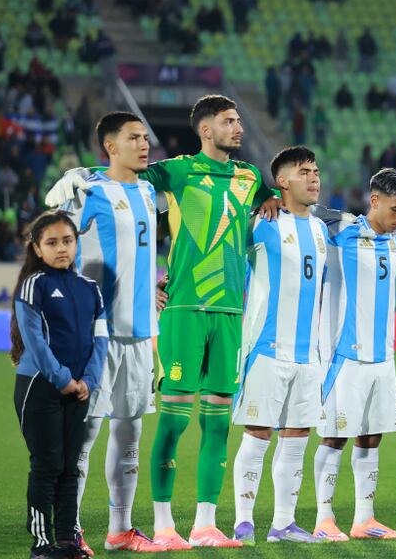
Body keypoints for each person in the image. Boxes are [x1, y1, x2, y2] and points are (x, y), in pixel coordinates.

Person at [45, 94, 281, 549]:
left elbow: (260, 197)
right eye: (230, 121)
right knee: (147, 425)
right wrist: (78, 175)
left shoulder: (250, 177)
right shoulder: (171, 172)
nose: (239, 128)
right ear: (206, 129)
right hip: (171, 315)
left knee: (200, 424)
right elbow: (109, 184)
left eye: (239, 121)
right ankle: (135, 525)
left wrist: (271, 195)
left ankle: (194, 525)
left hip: (217, 313)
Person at [66, 113, 162, 554]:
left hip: (143, 334)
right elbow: (50, 242)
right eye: (134, 138)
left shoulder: (146, 190)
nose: (145, 145)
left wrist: (153, 289)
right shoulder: (88, 191)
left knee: (130, 435)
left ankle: (119, 530)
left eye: (146, 137)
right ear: (110, 147)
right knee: (82, 437)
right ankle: (67, 531)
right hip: (98, 336)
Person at [311, 168, 396, 541]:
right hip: (345, 357)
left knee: (372, 436)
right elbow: (304, 210)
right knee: (335, 436)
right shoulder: (341, 232)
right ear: (374, 201)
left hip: (383, 358)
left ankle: (364, 518)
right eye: (395, 209)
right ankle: (324, 518)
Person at [231, 147, 328, 546]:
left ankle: (283, 524)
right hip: (268, 350)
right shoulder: (263, 223)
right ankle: (243, 522)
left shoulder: (322, 229)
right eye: (304, 172)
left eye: (316, 171)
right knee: (258, 435)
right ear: (282, 181)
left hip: (308, 356)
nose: (314, 178)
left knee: (297, 439)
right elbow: (220, 248)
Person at [11, 211, 109, 559]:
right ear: (37, 248)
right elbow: (34, 342)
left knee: (71, 466)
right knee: (47, 464)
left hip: (79, 389)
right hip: (40, 387)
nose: (61, 248)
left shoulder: (90, 289)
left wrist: (88, 381)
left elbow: (101, 341)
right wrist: (65, 380)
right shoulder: (33, 285)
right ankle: (41, 544)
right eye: (52, 242)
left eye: (67, 240)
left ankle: (68, 541)